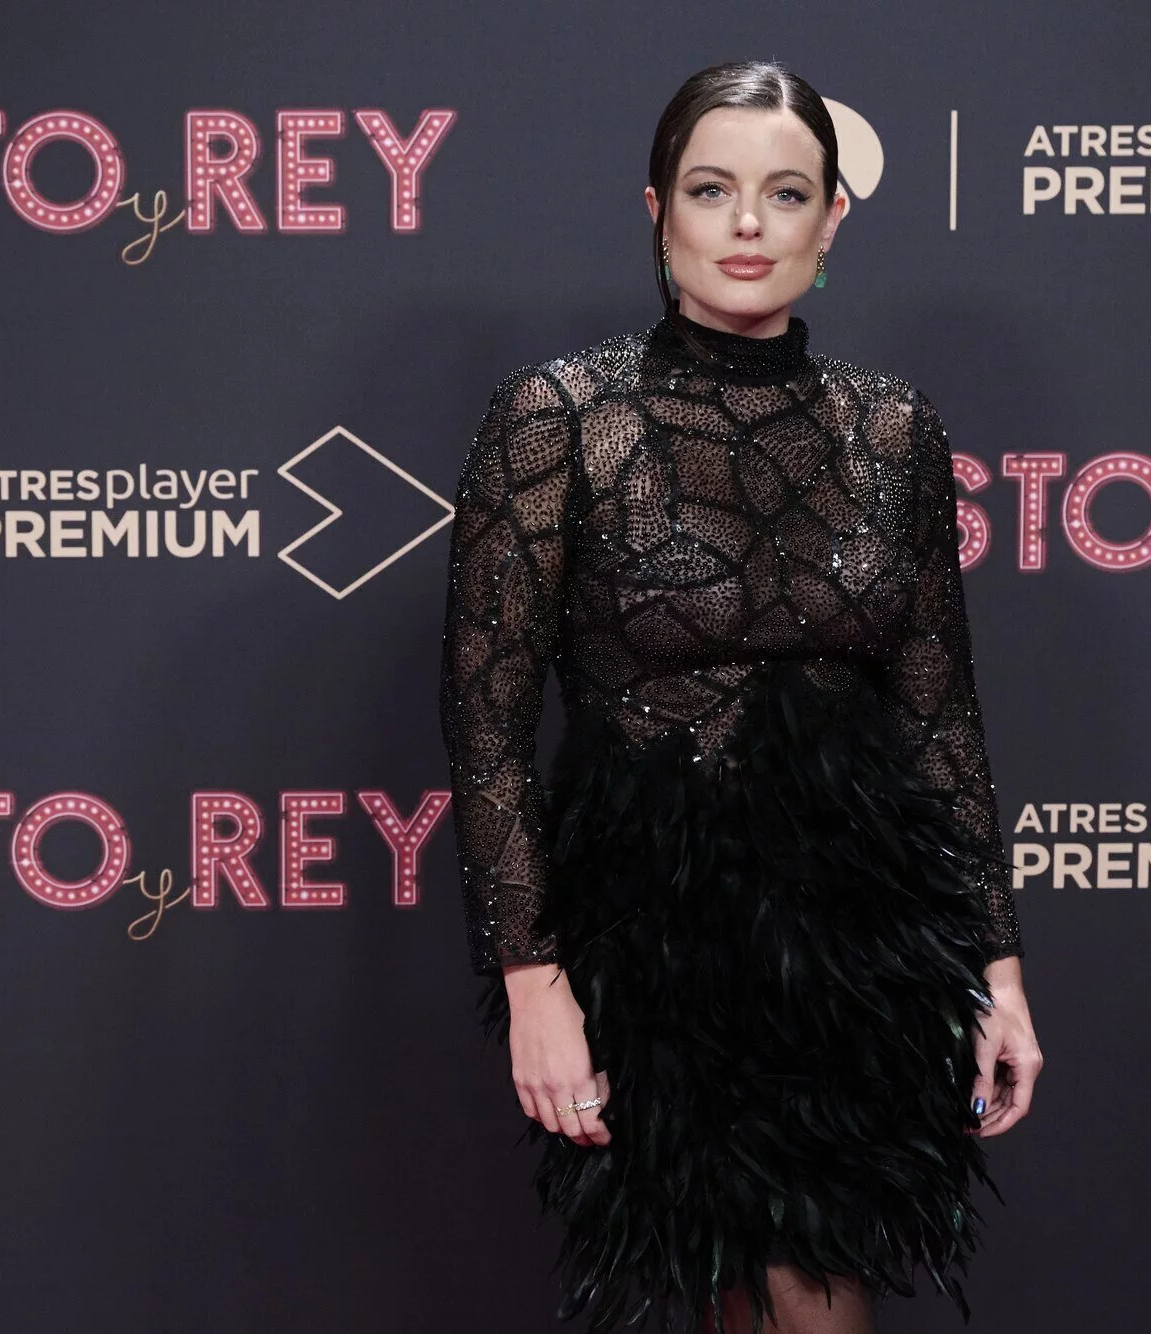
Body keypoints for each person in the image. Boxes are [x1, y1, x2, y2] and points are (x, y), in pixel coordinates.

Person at [438, 60, 1044, 1334]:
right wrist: (532, 982)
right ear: (656, 209)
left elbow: (937, 713)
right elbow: (487, 728)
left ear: (833, 220)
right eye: (712, 190)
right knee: (752, 1284)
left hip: (857, 934)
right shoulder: (561, 417)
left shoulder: (893, 428)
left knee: (811, 1280)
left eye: (787, 192)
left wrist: (994, 967)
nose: (749, 224)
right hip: (653, 929)